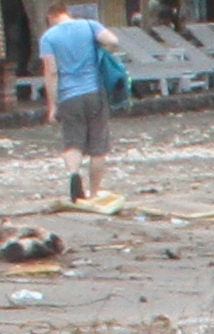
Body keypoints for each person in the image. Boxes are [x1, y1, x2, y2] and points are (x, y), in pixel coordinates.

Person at [37, 0, 124, 207]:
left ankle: (74, 175)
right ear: (66, 12)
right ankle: (93, 194)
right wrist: (101, 50)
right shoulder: (89, 26)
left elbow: (51, 71)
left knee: (73, 142)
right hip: (94, 92)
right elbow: (113, 41)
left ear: (50, 18)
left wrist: (53, 106)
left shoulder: (48, 37)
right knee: (97, 146)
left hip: (69, 97)